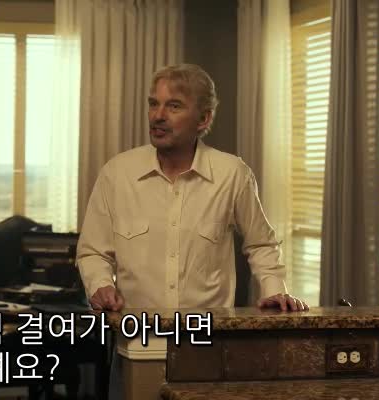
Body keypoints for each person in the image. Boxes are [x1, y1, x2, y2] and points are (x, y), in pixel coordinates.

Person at [76, 64, 308, 397]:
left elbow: (261, 244)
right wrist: (100, 285)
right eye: (153, 103)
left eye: (173, 106)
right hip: (136, 346)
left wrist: (273, 290)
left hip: (209, 350)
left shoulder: (232, 174)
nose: (158, 115)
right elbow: (93, 251)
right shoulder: (117, 174)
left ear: (203, 119)